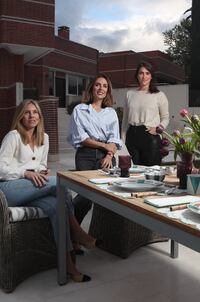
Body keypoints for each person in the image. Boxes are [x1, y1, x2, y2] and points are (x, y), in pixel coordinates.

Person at [0, 99, 96, 283]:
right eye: (27, 112)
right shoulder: (13, 136)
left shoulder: (44, 138)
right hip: (8, 189)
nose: (32, 116)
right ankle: (77, 233)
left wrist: (39, 171)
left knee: (57, 205)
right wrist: (26, 173)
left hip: (32, 189)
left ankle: (68, 265)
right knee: (61, 182)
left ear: (40, 116)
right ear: (20, 116)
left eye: (35, 112)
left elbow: (40, 164)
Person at [67, 74, 122, 251]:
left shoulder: (111, 112)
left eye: (105, 86)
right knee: (85, 196)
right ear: (92, 88)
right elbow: (81, 138)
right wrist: (104, 145)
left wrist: (108, 153)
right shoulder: (80, 110)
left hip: (106, 156)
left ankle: (76, 235)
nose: (101, 88)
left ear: (108, 91)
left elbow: (115, 138)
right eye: (98, 85)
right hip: (85, 155)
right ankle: (72, 234)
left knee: (109, 193)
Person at [121, 61, 169, 166]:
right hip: (131, 137)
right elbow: (125, 120)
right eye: (141, 73)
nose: (144, 76)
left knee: (151, 173)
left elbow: (165, 118)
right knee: (133, 173)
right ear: (137, 76)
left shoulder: (159, 95)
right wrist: (122, 140)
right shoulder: (129, 94)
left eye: (147, 73)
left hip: (150, 137)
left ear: (151, 76)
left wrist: (158, 129)